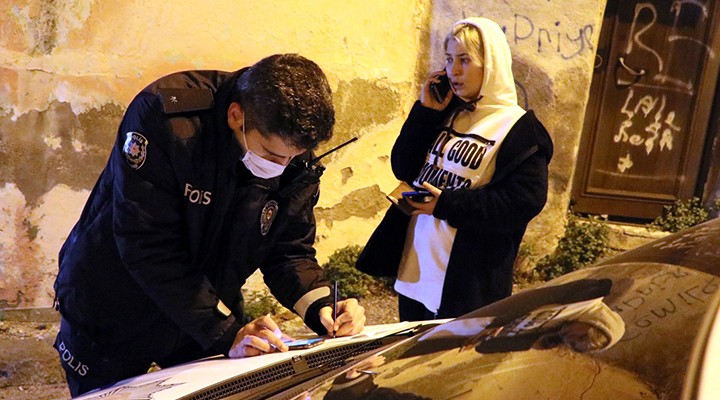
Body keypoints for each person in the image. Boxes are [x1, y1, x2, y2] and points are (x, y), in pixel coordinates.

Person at [52, 53, 366, 397]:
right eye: (274, 155)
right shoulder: (167, 116)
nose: (284, 166)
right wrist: (226, 330)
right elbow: (147, 245)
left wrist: (323, 306)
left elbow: (288, 249)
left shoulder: (292, 147)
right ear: (236, 116)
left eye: (294, 157)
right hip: (114, 302)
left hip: (205, 306)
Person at [358, 17, 553, 321]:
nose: (454, 71)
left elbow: (523, 202)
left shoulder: (520, 130)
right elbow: (404, 167)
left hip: (467, 286)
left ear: (490, 64)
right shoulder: (449, 112)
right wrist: (425, 114)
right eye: (449, 60)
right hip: (417, 273)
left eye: (465, 60)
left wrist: (446, 205)